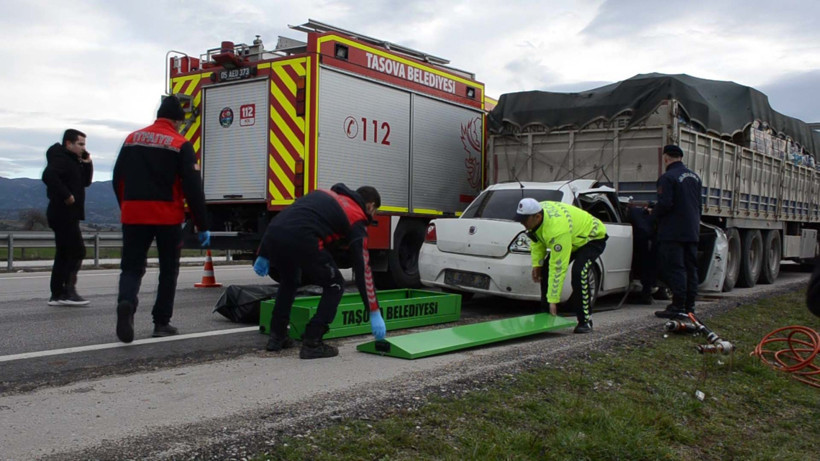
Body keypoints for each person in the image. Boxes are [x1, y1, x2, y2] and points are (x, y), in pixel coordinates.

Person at [112, 95, 210, 343]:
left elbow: (117, 178)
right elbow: (192, 189)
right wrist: (201, 224)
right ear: (178, 120)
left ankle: (126, 303)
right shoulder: (180, 143)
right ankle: (161, 322)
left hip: (133, 213)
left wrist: (126, 205)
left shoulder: (132, 139)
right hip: (167, 216)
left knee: (131, 267)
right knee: (168, 269)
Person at [253, 183, 386, 359]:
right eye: (374, 211)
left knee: (290, 280)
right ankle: (312, 341)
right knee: (335, 284)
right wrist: (374, 310)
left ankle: (277, 337)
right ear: (370, 206)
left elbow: (285, 217)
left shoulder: (324, 194)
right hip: (305, 238)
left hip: (275, 233)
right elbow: (363, 268)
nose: (372, 215)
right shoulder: (356, 215)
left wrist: (263, 252)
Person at [515, 197, 608, 333]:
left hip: (592, 238)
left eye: (524, 220)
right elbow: (537, 240)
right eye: (520, 220)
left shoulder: (557, 229)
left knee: (579, 272)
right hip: (572, 238)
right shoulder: (536, 215)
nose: (522, 223)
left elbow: (558, 267)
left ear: (537, 216)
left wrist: (553, 300)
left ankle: (585, 321)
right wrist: (537, 264)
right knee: (545, 270)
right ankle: (546, 316)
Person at [42, 129, 93, 306]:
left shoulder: (73, 160)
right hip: (62, 212)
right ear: (68, 144)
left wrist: (87, 163)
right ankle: (68, 292)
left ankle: (57, 294)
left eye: (84, 144)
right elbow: (48, 175)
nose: (83, 148)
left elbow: (85, 182)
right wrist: (67, 195)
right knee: (77, 250)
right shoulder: (61, 158)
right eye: (80, 144)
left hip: (68, 214)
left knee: (63, 253)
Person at [652, 144, 702, 318]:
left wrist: (653, 214)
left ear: (666, 158)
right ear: (681, 157)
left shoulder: (667, 177)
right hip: (692, 230)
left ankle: (677, 306)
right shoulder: (695, 177)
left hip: (673, 231)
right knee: (691, 269)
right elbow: (698, 205)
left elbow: (665, 204)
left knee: (676, 268)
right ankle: (690, 306)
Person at [628, 203, 658, 305]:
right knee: (648, 268)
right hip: (647, 243)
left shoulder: (634, 213)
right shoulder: (641, 215)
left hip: (643, 244)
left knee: (647, 268)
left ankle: (646, 294)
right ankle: (647, 294)